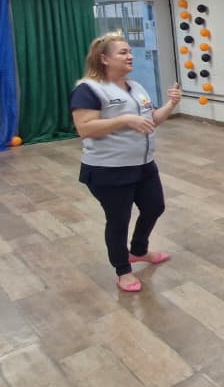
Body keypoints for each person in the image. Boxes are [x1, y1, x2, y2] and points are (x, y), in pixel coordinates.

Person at [70, 33, 182, 293]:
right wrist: (124, 120)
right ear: (104, 59)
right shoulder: (88, 89)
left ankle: (138, 251)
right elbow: (84, 128)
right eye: (123, 52)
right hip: (108, 169)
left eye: (130, 51)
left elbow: (151, 120)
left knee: (154, 207)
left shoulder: (136, 87)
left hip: (143, 164)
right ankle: (122, 270)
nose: (130, 56)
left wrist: (171, 104)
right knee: (118, 220)